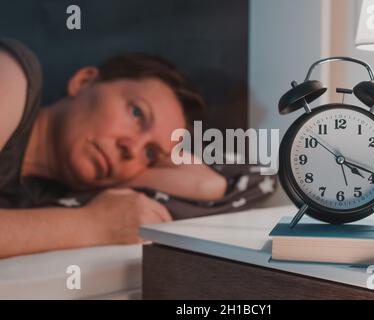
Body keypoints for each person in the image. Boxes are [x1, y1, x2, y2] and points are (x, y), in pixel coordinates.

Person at [0, 38, 229, 258]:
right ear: (83, 81)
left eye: (149, 154)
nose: (132, 149)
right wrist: (92, 224)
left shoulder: (44, 195)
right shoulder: (13, 76)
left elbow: (208, 185)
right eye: (137, 113)